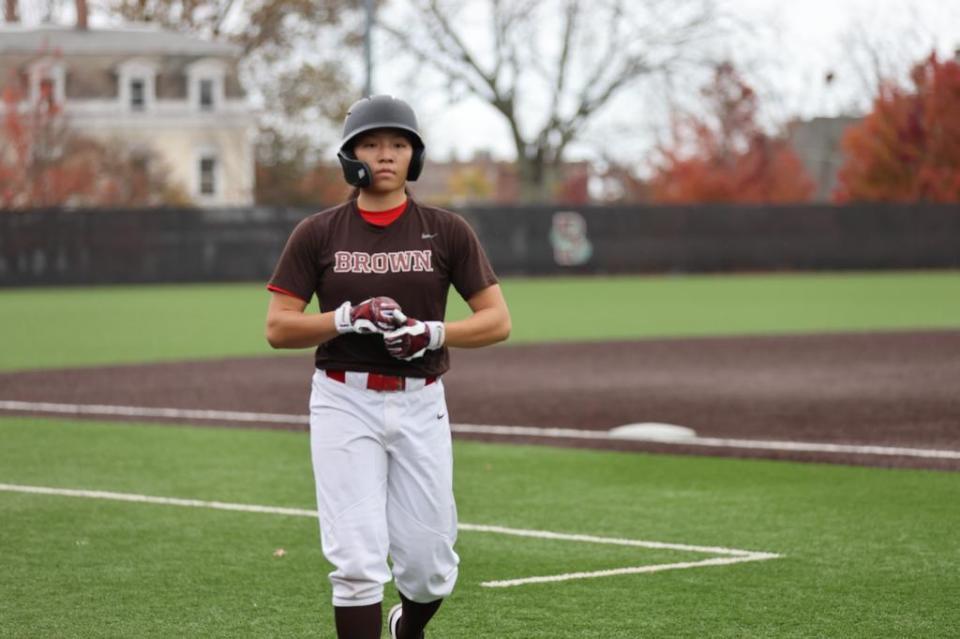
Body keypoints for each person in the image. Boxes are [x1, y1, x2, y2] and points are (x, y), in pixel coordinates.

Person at [264, 94, 511, 639]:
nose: (385, 155)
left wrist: (432, 332)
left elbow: (497, 321)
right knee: (356, 562)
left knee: (430, 567)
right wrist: (348, 317)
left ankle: (409, 623)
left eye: (399, 144)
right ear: (350, 155)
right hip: (342, 400)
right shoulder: (319, 233)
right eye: (371, 144)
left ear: (414, 158)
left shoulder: (447, 231)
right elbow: (279, 327)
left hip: (421, 402)